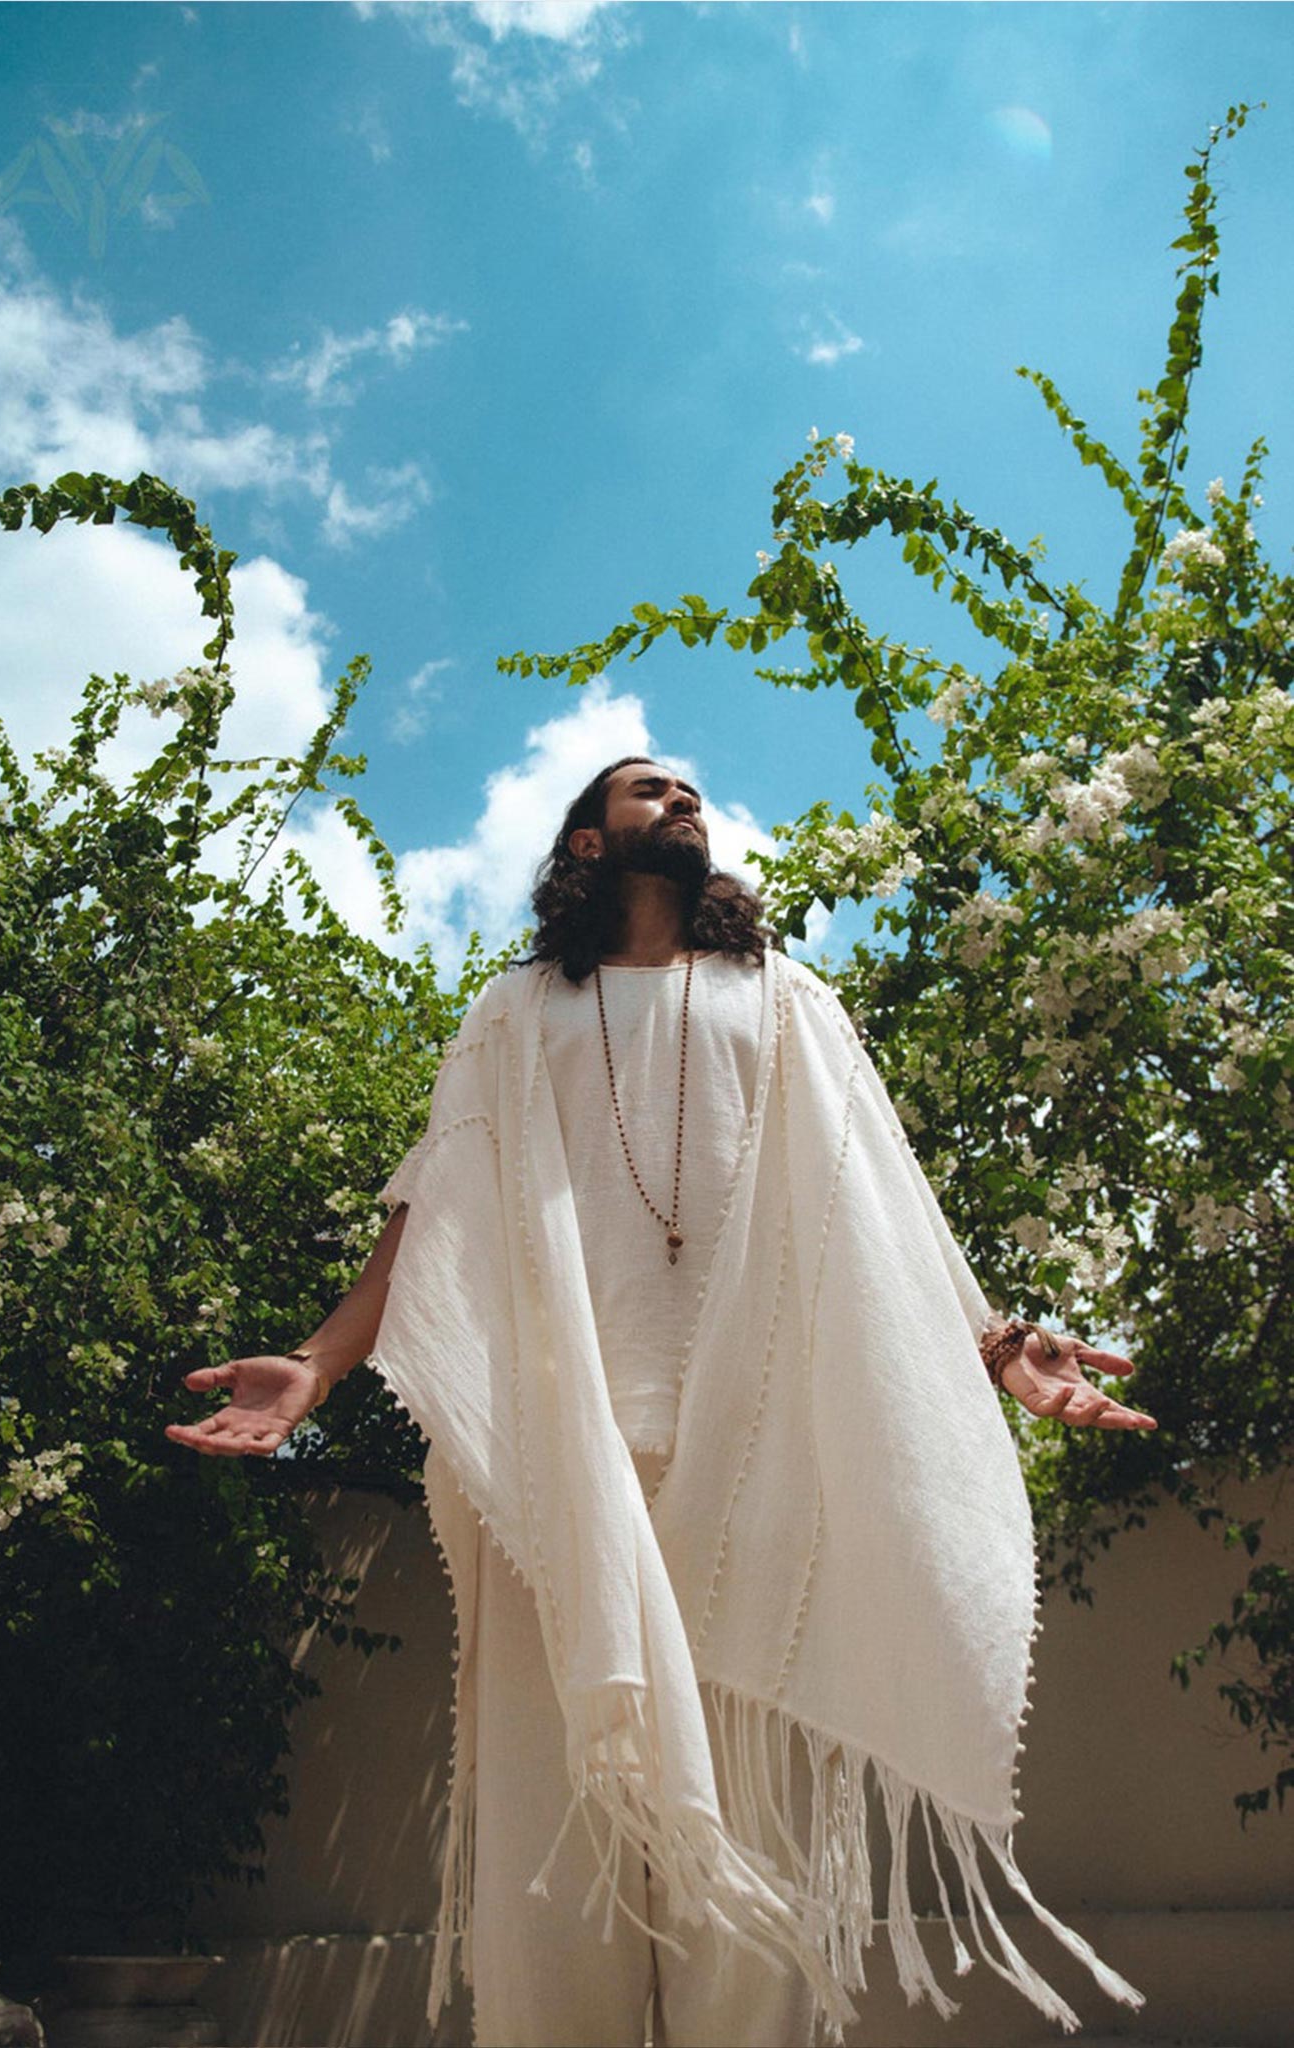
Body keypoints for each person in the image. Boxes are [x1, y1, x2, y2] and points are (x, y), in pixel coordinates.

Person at [167, 757, 1154, 2048]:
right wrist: (322, 1359)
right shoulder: (516, 1014)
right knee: (553, 1872)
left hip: (756, 1482)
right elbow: (437, 1208)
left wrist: (991, 1343)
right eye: (646, 790)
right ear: (585, 843)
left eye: (690, 789)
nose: (681, 799)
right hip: (555, 1482)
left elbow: (883, 1205)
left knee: (751, 1900)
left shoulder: (786, 1002)